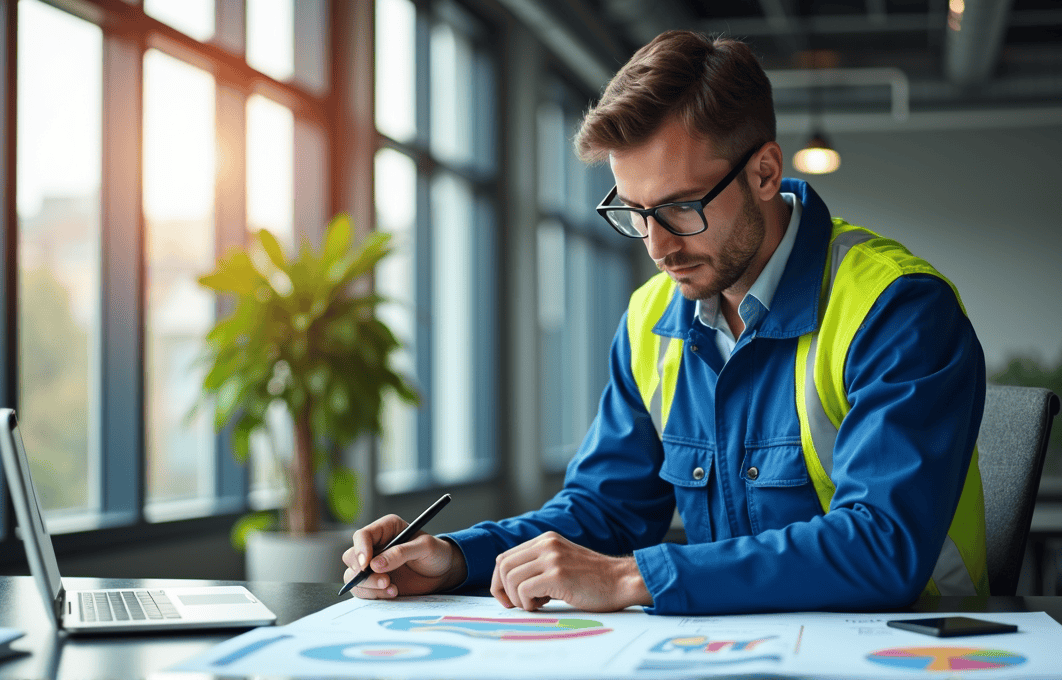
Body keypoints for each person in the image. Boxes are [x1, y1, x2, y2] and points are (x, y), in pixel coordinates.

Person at [343, 30, 988, 616]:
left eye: (680, 208)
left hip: (905, 648)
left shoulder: (896, 309)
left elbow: (883, 545)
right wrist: (455, 558)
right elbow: (604, 509)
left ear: (765, 172)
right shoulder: (651, 318)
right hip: (735, 647)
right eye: (633, 211)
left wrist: (633, 580)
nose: (655, 245)